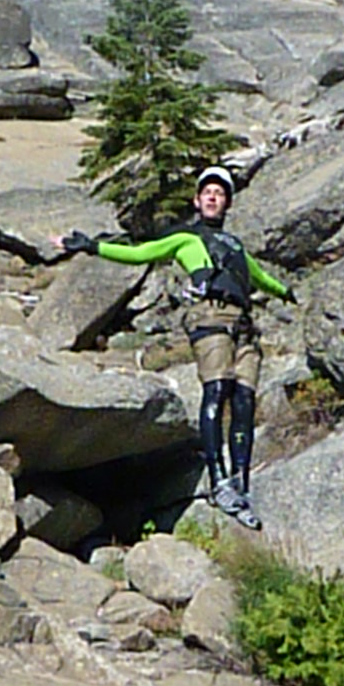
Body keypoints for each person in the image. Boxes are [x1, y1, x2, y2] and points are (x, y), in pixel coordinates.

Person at [54, 166, 294, 529]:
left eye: (220, 193)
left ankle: (241, 484)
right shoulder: (185, 238)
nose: (213, 196)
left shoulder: (235, 246)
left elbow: (260, 277)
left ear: (227, 203)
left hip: (244, 327)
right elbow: (141, 253)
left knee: (244, 401)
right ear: (197, 201)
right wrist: (93, 246)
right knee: (217, 390)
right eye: (207, 192)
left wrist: (287, 293)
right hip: (210, 318)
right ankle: (219, 482)